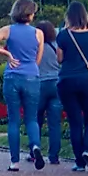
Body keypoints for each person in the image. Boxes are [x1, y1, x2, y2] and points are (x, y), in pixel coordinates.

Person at [0, 0, 44, 171]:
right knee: (32, 119)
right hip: (32, 76)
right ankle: (35, 146)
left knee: (14, 121)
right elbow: (37, 59)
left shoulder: (7, 30)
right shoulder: (38, 33)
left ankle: (14, 162)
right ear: (30, 15)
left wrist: (7, 54)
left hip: (12, 77)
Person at [56, 1, 88, 172]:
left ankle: (79, 162)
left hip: (67, 81)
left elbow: (60, 59)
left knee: (75, 121)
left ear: (68, 16)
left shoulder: (63, 35)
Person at [32, 20, 61, 165]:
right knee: (54, 123)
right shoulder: (57, 46)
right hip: (56, 84)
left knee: (35, 119)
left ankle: (34, 150)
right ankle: (54, 155)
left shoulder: (36, 47)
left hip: (39, 84)